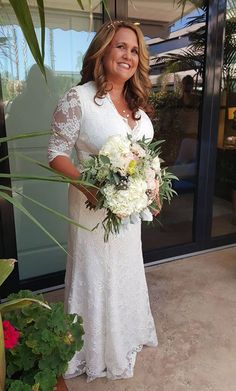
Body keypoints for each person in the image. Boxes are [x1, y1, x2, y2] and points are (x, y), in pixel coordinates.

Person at [48, 20, 158, 382]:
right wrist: (87, 185)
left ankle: (123, 337)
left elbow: (147, 158)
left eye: (134, 50)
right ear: (103, 50)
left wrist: (153, 188)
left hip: (126, 216)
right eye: (120, 46)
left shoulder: (137, 106)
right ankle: (92, 351)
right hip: (92, 212)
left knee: (124, 272)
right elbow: (56, 153)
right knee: (95, 275)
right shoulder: (78, 98)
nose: (128, 55)